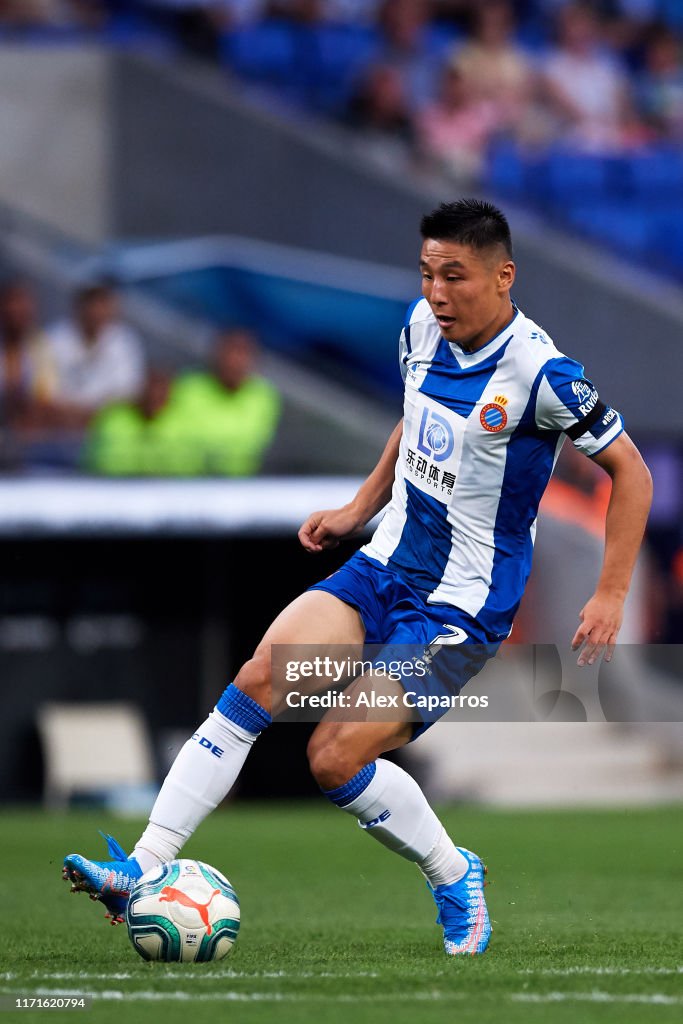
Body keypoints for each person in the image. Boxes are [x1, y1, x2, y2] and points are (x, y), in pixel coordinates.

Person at [63, 199, 652, 956]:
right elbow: (413, 417)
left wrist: (608, 592)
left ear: (503, 276)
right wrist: (358, 506)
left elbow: (630, 472)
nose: (437, 293)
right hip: (379, 569)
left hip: (456, 611)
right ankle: (142, 869)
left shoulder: (543, 374)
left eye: (455, 277)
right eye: (428, 274)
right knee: (255, 685)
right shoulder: (420, 328)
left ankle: (452, 872)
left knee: (334, 756)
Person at [171, 328, 281, 475]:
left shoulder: (264, 396)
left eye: (242, 352)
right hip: (187, 481)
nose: (234, 361)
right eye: (229, 352)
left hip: (241, 486)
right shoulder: (186, 388)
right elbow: (174, 439)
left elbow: (253, 445)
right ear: (215, 354)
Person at [46, 283, 145, 430]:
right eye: (93, 305)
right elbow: (46, 392)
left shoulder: (124, 341)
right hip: (60, 423)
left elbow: (128, 392)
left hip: (106, 423)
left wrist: (93, 414)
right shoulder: (54, 338)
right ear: (79, 307)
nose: (97, 313)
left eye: (103, 306)